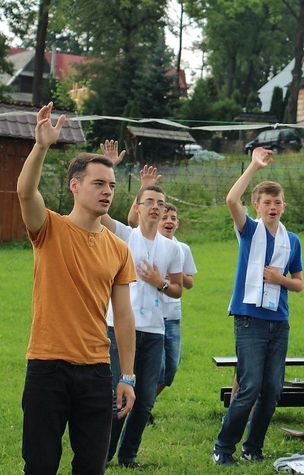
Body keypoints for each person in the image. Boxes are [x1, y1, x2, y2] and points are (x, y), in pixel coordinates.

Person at [16, 103, 137, 474]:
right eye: (98, 183)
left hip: (96, 371)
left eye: (112, 185)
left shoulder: (119, 248)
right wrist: (41, 147)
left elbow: (124, 314)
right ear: (75, 186)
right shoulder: (48, 228)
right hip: (47, 367)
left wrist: (127, 376)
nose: (107, 191)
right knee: (40, 465)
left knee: (91, 467)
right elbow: (25, 192)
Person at [213, 148, 304, 466]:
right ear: (257, 206)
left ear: (284, 206)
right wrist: (253, 165)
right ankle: (223, 447)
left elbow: (299, 283)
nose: (273, 207)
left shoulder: (292, 240)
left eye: (278, 202)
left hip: (279, 322)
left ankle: (253, 447)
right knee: (249, 386)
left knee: (273, 390)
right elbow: (230, 200)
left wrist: (280, 279)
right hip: (250, 318)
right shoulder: (249, 231)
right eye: (267, 202)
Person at [101, 178, 184, 469]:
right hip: (120, 328)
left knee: (146, 399)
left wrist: (159, 282)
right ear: (137, 208)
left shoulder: (173, 249)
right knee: (117, 397)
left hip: (154, 332)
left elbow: (177, 288)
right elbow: (100, 212)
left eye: (160, 204)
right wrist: (111, 169)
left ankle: (128, 456)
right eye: (149, 201)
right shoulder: (124, 234)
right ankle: (104, 454)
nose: (156, 207)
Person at [127, 198, 198, 409]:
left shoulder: (181, 248)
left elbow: (189, 283)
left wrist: (174, 275)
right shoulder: (147, 243)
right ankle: (141, 406)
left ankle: (144, 403)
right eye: (165, 217)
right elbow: (131, 221)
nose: (169, 221)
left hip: (173, 318)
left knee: (170, 371)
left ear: (177, 224)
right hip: (152, 318)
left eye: (173, 218)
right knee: (156, 369)